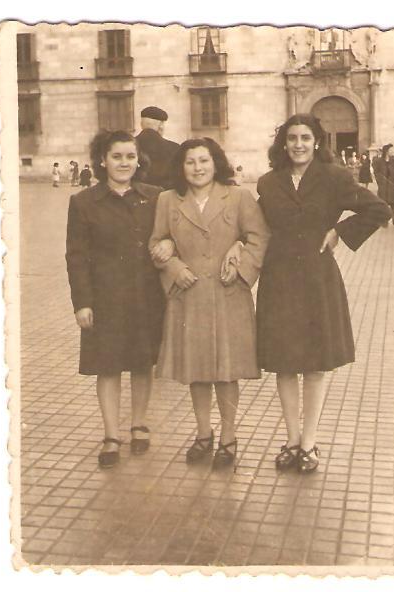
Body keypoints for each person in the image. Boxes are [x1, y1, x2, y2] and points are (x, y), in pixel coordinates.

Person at [255, 114, 391, 474]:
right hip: (279, 279)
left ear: (317, 142)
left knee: (315, 364)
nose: (298, 144)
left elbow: (379, 209)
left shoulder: (334, 177)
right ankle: (291, 440)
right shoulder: (268, 183)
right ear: (284, 143)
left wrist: (339, 232)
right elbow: (257, 227)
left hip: (317, 279)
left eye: (306, 137)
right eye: (292, 138)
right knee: (284, 363)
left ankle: (309, 444)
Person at [149, 138, 270, 469]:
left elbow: (259, 237)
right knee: (197, 370)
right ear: (181, 167)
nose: (197, 168)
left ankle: (228, 437)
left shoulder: (239, 197)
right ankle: (203, 433)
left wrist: (241, 259)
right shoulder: (167, 200)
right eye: (190, 162)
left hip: (228, 294)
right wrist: (173, 267)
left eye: (204, 160)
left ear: (216, 163)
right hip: (188, 295)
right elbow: (156, 242)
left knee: (226, 371)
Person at [65, 130, 174, 468]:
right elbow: (76, 257)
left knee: (142, 363)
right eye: (117, 157)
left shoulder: (156, 197)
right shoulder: (83, 202)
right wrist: (82, 303)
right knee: (108, 366)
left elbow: (172, 232)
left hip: (146, 296)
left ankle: (139, 424)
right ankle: (111, 435)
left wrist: (169, 242)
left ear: (139, 160)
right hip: (105, 298)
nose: (124, 163)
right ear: (103, 160)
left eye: (130, 156)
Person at [135, 106, 179, 189]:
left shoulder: (130, 146)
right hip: (165, 194)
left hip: (136, 194)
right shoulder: (175, 148)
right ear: (160, 126)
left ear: (141, 125)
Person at [373, 143, 394, 226]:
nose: (392, 151)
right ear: (386, 151)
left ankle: (393, 215)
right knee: (383, 202)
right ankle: (385, 219)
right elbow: (376, 172)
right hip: (383, 185)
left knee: (393, 202)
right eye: (391, 150)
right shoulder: (379, 161)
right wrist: (379, 180)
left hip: (392, 184)